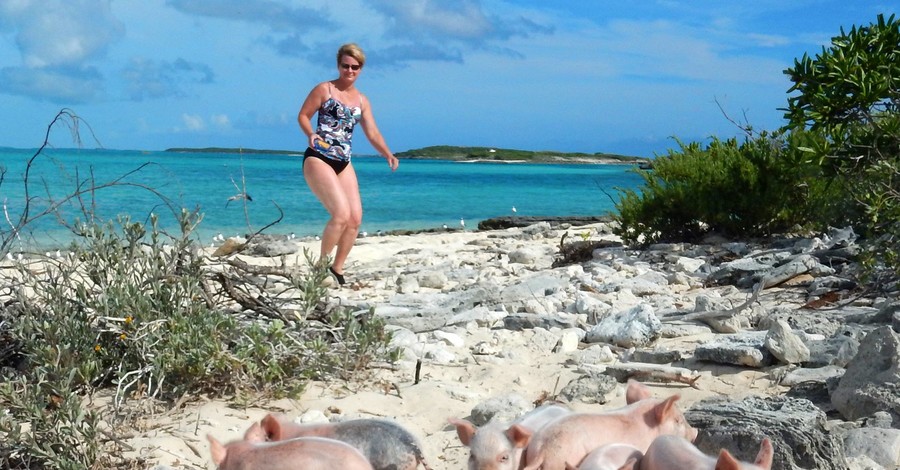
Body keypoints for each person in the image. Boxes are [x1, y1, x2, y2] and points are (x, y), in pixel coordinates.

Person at [297, 43, 399, 286]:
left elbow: (372, 133)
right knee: (340, 214)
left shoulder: (362, 101)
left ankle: (337, 268)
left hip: (344, 161)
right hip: (318, 157)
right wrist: (309, 133)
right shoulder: (325, 89)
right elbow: (303, 115)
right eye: (345, 66)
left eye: (355, 67)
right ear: (338, 65)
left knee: (354, 219)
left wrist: (387, 154)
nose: (349, 70)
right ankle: (319, 267)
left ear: (361, 69)